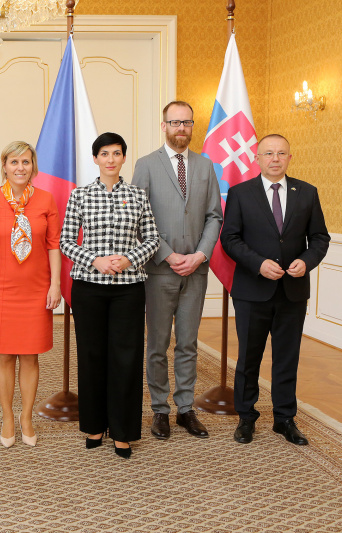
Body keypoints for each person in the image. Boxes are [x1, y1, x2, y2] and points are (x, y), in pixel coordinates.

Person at [221, 134, 330, 446]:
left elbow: (320, 238)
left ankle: (284, 418)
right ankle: (246, 418)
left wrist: (306, 262)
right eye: (268, 153)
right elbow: (230, 238)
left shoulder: (307, 193)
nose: (275, 159)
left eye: (281, 153)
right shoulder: (241, 193)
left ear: (290, 158)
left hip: (292, 291)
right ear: (257, 158)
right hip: (252, 290)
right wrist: (258, 264)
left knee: (287, 357)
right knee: (249, 357)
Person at [60, 132, 160, 458]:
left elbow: (153, 240)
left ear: (123, 158)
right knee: (91, 356)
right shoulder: (80, 196)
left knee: (126, 358)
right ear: (95, 159)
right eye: (105, 153)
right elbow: (65, 242)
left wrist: (130, 258)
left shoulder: (138, 195)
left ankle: (122, 430)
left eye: (117, 153)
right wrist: (95, 260)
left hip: (128, 289)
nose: (111, 159)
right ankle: (94, 425)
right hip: (88, 287)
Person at [132, 100, 223, 440]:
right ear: (164, 126)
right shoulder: (146, 165)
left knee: (188, 343)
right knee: (157, 344)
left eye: (186, 122)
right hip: (160, 271)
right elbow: (138, 219)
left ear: (193, 126)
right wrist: (169, 256)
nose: (181, 128)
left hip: (196, 271)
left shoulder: (205, 165)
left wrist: (200, 255)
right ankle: (160, 410)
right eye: (174, 122)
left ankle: (186, 408)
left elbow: (214, 215)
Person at [0, 141, 62, 448]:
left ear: (33, 166)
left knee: (30, 354)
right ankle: (7, 416)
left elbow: (53, 245)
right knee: (4, 353)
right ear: (5, 166)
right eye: (14, 162)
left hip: (36, 288)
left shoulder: (47, 200)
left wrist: (55, 285)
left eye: (26, 162)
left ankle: (26, 417)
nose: (20, 167)